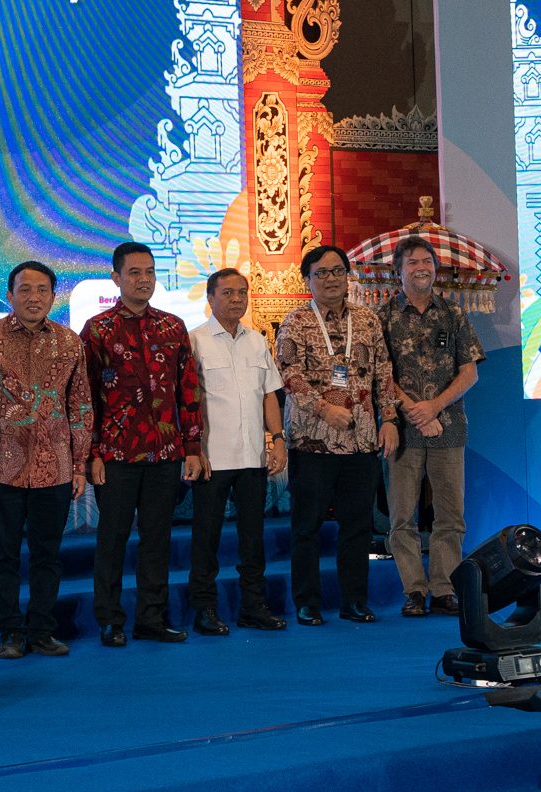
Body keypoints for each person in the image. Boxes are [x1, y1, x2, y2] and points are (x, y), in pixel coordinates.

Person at [80, 243, 202, 647]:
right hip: (116, 455)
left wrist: (193, 447)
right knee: (112, 540)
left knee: (157, 540)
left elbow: (188, 391)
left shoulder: (172, 327)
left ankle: (151, 618)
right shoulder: (97, 329)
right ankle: (110, 620)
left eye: (149, 272)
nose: (143, 279)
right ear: (116, 278)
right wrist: (92, 453)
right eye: (134, 272)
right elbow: (86, 398)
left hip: (165, 454)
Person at [0, 261, 92, 660]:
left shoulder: (70, 342)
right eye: (25, 289)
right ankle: (10, 632)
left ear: (54, 296)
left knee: (47, 555)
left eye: (42, 290)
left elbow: (80, 405)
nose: (34, 297)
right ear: (9, 295)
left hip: (54, 466)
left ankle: (42, 630)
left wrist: (79, 464)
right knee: (3, 555)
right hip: (1, 466)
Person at [275, 245, 399, 627]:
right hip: (311, 441)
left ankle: (354, 601)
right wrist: (324, 409)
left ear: (347, 276)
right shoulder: (295, 321)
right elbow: (289, 374)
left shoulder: (368, 320)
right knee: (306, 527)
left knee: (357, 527)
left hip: (360, 441)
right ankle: (307, 603)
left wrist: (389, 419)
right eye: (321, 272)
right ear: (307, 280)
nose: (331, 279)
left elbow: (383, 372)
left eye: (337, 271)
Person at [378, 236, 483, 619]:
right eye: (412, 262)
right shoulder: (383, 317)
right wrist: (415, 412)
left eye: (427, 262)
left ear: (435, 269)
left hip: (449, 428)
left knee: (450, 516)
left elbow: (469, 373)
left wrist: (434, 407)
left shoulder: (453, 314)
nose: (421, 268)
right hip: (402, 431)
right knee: (401, 518)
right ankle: (414, 591)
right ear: (398, 271)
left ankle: (443, 588)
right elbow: (380, 374)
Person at [189, 268, 289, 633]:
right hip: (211, 458)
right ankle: (204, 609)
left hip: (252, 457)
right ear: (210, 298)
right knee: (206, 539)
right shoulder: (195, 341)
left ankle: (254, 607)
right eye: (227, 293)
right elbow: (189, 401)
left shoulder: (257, 341)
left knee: (253, 539)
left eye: (241, 293)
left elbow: (269, 395)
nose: (236, 299)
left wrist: (277, 439)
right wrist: (193, 449)